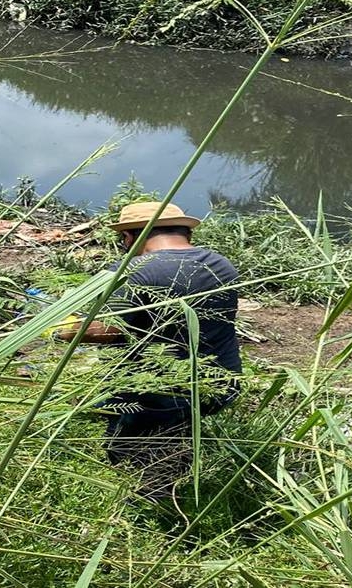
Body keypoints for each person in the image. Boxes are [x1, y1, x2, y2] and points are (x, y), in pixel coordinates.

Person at [56, 201, 241, 499]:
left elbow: (111, 329)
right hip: (217, 384)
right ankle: (176, 479)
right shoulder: (220, 264)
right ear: (184, 232)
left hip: (155, 393)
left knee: (134, 457)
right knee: (174, 437)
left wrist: (59, 329)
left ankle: (153, 511)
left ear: (130, 237)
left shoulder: (134, 270)